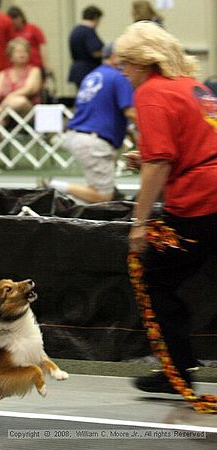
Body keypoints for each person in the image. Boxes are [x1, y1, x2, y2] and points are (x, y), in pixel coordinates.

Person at [115, 22, 217, 397]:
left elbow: (160, 164)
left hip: (198, 201)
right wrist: (146, 156)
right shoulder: (195, 87)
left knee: (155, 277)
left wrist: (139, 223)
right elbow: (196, 141)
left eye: (126, 63)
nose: (123, 71)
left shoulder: (152, 93)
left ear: (143, 63)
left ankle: (178, 369)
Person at [45, 42, 135, 203]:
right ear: (114, 57)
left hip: (77, 134)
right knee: (102, 196)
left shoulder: (93, 75)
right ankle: (55, 186)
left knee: (106, 183)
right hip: (94, 141)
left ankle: (115, 198)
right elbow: (130, 112)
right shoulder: (118, 77)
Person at [0, 38, 42, 152]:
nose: (22, 54)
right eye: (18, 51)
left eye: (24, 51)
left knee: (19, 100)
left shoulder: (35, 71)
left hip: (28, 114)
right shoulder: (2, 74)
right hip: (7, 116)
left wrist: (7, 100)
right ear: (10, 55)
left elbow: (30, 89)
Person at [68, 5, 104, 90]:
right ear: (96, 18)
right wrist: (107, 53)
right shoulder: (88, 31)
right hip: (88, 71)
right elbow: (95, 52)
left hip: (77, 70)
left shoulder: (75, 30)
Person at [7, 5, 49, 76]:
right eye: (11, 20)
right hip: (19, 68)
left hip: (36, 65)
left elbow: (43, 47)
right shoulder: (11, 33)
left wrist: (45, 66)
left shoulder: (33, 29)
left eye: (16, 18)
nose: (14, 22)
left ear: (21, 18)